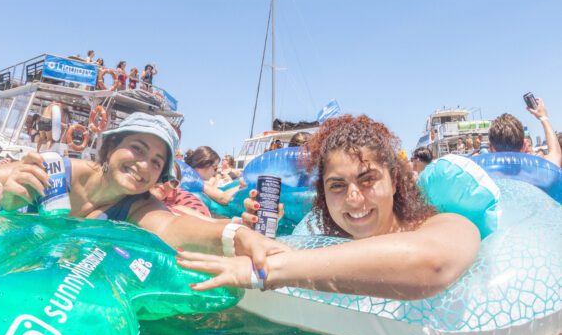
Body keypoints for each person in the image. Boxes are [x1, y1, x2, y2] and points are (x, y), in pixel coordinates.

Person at [178, 114, 481, 300]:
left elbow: (431, 263)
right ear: (323, 194)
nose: (353, 197)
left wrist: (266, 270)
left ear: (396, 181)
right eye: (337, 185)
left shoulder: (443, 224)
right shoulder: (315, 232)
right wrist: (255, 237)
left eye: (367, 179)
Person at [0, 113, 279, 261]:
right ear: (111, 148)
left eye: (157, 162)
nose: (144, 165)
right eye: (137, 149)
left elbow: (176, 226)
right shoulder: (59, 170)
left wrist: (240, 234)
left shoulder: (138, 206)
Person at [489, 98, 561, 167]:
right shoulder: (539, 172)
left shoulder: (480, 175)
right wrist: (543, 117)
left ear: (490, 148)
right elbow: (556, 158)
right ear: (524, 145)